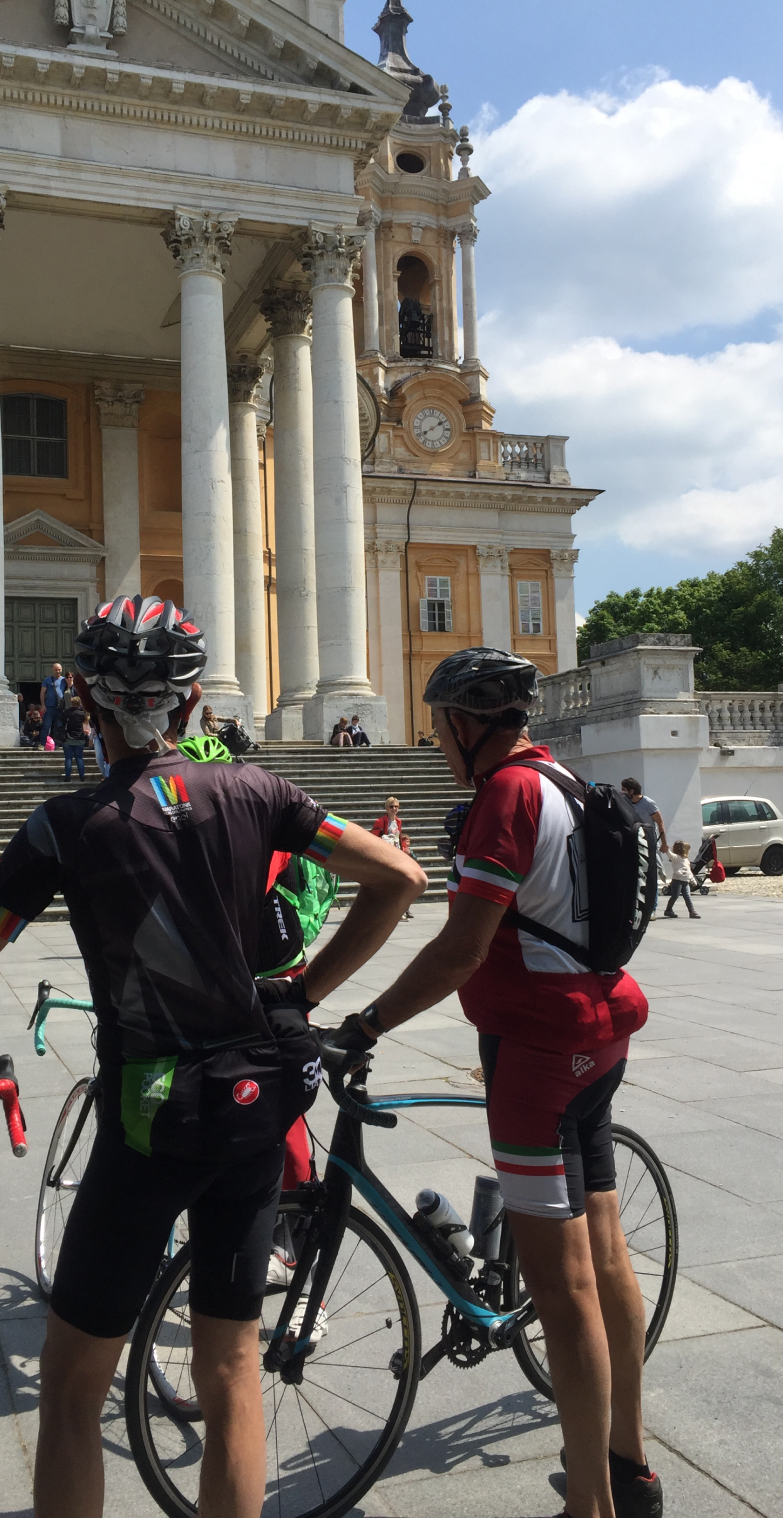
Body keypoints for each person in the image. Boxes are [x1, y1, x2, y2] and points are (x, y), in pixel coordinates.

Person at [0, 592, 425, 1518]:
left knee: (70, 1391)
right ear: (190, 706)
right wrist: (302, 995)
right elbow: (400, 878)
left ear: (87, 708)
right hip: (254, 1107)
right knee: (231, 1369)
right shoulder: (258, 791)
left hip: (149, 1119)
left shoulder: (59, 830)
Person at [328, 647, 660, 1518]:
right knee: (609, 1254)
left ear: (466, 725)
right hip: (599, 1031)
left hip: (537, 1056)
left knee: (565, 1288)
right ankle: (630, 1464)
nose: (436, 741)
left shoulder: (505, 797)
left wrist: (368, 1023)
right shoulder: (564, 780)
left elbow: (462, 947)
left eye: (440, 725)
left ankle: (590, 1505)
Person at [620, 779, 668, 920]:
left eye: (624, 789)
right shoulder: (626, 803)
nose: (621, 791)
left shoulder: (648, 803)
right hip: (634, 844)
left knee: (651, 876)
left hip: (650, 844)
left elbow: (660, 823)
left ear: (632, 791)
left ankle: (652, 909)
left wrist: (664, 843)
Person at [372, 797, 414, 920]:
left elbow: (400, 838)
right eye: (391, 806)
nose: (394, 809)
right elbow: (373, 838)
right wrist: (386, 839)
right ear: (386, 808)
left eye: (396, 806)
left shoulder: (398, 822)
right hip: (384, 854)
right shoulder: (380, 821)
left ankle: (399, 910)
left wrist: (404, 847)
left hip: (396, 854)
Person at [663, 841, 700, 919]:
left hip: (685, 881)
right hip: (677, 880)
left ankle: (692, 911)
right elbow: (671, 855)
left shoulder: (686, 860)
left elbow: (689, 871)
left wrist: (692, 880)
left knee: (687, 896)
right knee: (675, 896)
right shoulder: (676, 858)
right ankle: (668, 910)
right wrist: (667, 850)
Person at [39, 662, 68, 746]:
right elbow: (42, 693)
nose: (58, 671)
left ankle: (57, 744)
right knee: (46, 726)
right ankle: (44, 744)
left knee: (58, 726)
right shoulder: (47, 680)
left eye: (59, 669)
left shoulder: (64, 680)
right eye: (56, 670)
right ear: (52, 670)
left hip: (60, 707)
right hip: (49, 706)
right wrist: (43, 705)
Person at [62, 695, 89, 781]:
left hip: (68, 737)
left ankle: (67, 777)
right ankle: (82, 776)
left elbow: (61, 720)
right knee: (79, 758)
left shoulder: (67, 712)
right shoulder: (82, 714)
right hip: (80, 737)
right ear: (80, 703)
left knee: (68, 758)